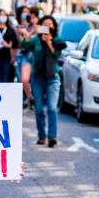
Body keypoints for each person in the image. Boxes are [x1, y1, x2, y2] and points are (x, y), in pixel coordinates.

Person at [21, 15, 66, 147]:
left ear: (54, 26)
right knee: (39, 109)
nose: (48, 27)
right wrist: (31, 33)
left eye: (50, 24)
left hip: (53, 78)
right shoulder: (36, 40)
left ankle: (52, 137)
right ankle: (41, 135)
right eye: (44, 24)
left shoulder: (57, 40)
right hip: (38, 78)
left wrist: (49, 42)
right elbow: (24, 45)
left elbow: (56, 55)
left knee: (52, 108)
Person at [0, 9, 18, 83]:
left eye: (4, 15)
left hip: (6, 58)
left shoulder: (10, 30)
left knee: (5, 78)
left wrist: (8, 46)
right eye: (0, 15)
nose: (2, 17)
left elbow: (15, 44)